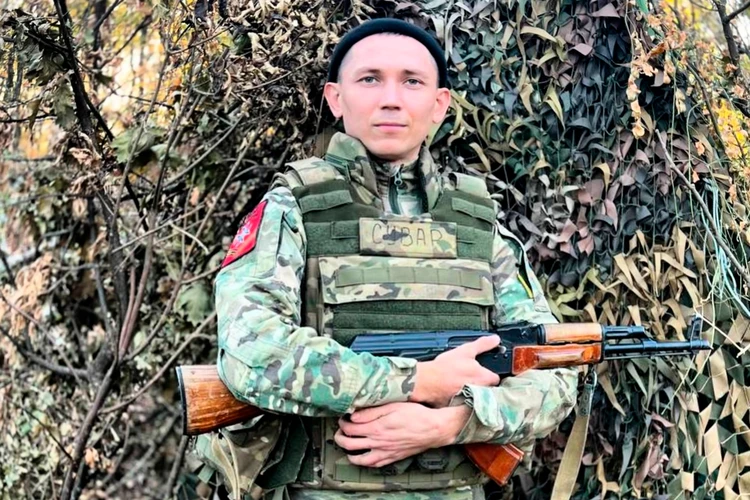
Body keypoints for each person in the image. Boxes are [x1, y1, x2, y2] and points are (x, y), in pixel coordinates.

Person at [194, 18, 578, 500]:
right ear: (336, 98)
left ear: (439, 104)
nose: (391, 99)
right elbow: (252, 354)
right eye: (370, 79)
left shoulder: (477, 223)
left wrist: (453, 423)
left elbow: (555, 374)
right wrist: (419, 381)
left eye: (412, 82)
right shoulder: (294, 208)